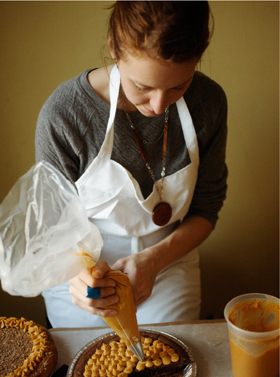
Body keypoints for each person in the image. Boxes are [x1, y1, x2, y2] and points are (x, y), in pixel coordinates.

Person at [35, 1, 228, 328]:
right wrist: (79, 275)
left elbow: (207, 208)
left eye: (178, 86)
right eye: (143, 86)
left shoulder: (208, 103)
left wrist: (154, 261)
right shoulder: (64, 116)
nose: (158, 104)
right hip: (78, 266)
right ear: (113, 47)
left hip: (168, 259)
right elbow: (52, 226)